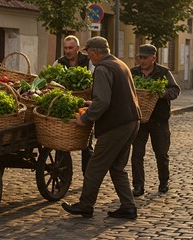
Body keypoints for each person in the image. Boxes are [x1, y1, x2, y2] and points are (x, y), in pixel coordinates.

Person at [62, 36, 141, 219]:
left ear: (96, 52)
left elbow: (104, 101)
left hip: (116, 124)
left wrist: (86, 118)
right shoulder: (120, 64)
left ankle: (85, 205)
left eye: (89, 54)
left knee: (94, 167)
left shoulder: (102, 68)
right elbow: (115, 95)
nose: (89, 58)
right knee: (117, 167)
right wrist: (93, 102)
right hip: (131, 121)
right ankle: (128, 206)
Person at [130, 44, 181, 197]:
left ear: (154, 58)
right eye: (140, 57)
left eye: (145, 58)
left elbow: (175, 90)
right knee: (137, 154)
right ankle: (138, 185)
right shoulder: (134, 73)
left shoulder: (163, 72)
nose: (142, 60)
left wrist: (161, 92)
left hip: (159, 120)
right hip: (140, 120)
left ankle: (163, 181)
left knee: (161, 153)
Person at [53, 35, 94, 175]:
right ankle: (62, 174)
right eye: (65, 48)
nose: (68, 51)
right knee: (60, 141)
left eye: (71, 48)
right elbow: (51, 83)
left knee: (86, 143)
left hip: (84, 105)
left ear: (78, 48)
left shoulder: (88, 62)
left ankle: (88, 174)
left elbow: (94, 81)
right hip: (65, 106)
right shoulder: (59, 62)